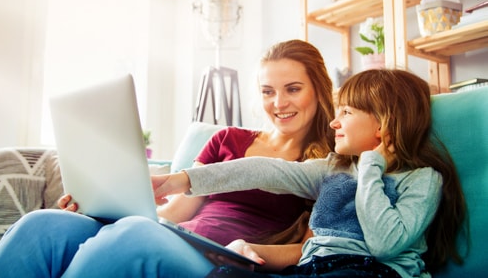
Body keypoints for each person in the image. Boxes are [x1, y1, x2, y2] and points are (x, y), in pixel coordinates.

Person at [0, 39, 336, 277]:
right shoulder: (227, 139)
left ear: (318, 89)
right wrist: (104, 207)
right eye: (267, 91)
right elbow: (179, 210)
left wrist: (244, 247)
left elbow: (310, 249)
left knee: (134, 234)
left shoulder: (330, 163)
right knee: (45, 224)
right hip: (179, 236)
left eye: (292, 89)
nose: (278, 103)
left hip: (227, 259)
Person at [153, 69, 468, 278]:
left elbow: (385, 243)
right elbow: (263, 171)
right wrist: (180, 180)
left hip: (372, 271)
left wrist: (372, 164)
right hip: (312, 269)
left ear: (384, 122)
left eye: (346, 112)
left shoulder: (423, 180)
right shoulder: (334, 168)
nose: (334, 122)